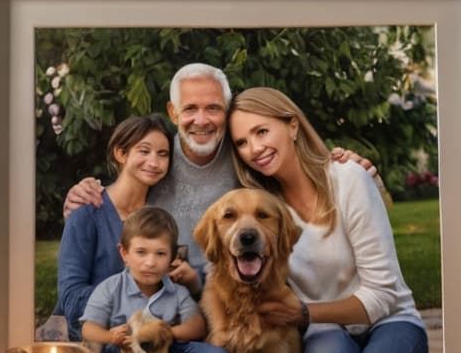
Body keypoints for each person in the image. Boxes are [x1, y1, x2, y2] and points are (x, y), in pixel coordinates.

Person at [63, 63, 381, 295]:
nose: (201, 120)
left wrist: (350, 170)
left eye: (213, 108)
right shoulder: (159, 160)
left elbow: (295, 172)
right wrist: (88, 194)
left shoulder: (247, 157)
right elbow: (125, 186)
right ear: (173, 113)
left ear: (227, 111)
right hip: (166, 302)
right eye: (190, 109)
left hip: (238, 294)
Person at [227, 87, 428, 353]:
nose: (254, 149)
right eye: (242, 142)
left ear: (293, 125)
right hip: (324, 328)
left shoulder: (348, 179)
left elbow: (383, 296)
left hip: (390, 319)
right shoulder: (264, 212)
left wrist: (304, 313)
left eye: (261, 132)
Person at [55, 114, 173, 342]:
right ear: (121, 153)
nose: (154, 162)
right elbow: (70, 299)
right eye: (144, 151)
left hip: (152, 334)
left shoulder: (161, 218)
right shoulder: (86, 211)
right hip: (95, 339)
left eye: (163, 154)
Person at [80, 207, 235, 353]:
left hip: (168, 347)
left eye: (160, 254)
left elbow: (197, 326)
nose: (150, 262)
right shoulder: (110, 288)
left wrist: (166, 333)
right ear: (125, 253)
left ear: (172, 257)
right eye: (141, 252)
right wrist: (111, 337)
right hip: (124, 348)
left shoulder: (177, 292)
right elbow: (88, 329)